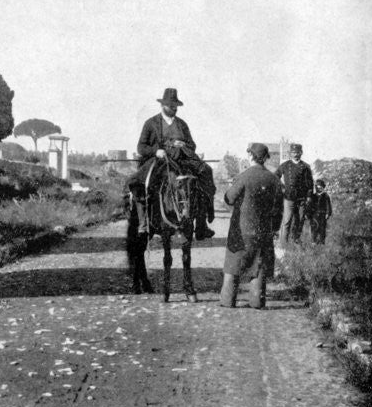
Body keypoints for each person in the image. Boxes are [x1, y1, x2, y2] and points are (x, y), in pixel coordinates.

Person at [128, 88, 216, 238]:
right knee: (138, 182)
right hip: (160, 159)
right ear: (162, 105)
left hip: (183, 159)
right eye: (171, 105)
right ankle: (144, 223)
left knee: (206, 172)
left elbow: (192, 145)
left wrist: (184, 146)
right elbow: (141, 147)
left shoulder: (182, 124)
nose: (174, 108)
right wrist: (156, 151)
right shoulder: (151, 123)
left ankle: (202, 224)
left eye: (176, 106)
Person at [221, 143, 283, 309]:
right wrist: (274, 229)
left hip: (241, 231)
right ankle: (256, 302)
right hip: (264, 233)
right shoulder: (274, 180)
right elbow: (279, 211)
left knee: (233, 266)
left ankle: (228, 301)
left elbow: (229, 199)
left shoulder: (244, 176)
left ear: (251, 156)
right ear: (265, 158)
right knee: (259, 267)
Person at [276, 143, 314, 247]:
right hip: (289, 198)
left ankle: (296, 240)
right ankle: (283, 244)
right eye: (293, 152)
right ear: (290, 153)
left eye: (297, 152)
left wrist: (309, 196)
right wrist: (282, 188)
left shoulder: (306, 167)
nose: (295, 154)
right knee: (287, 220)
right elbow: (275, 177)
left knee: (300, 220)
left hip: (301, 198)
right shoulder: (285, 165)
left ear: (301, 153)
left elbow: (310, 183)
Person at [306, 178, 333, 245]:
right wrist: (308, 214)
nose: (319, 189)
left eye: (320, 188)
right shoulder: (313, 196)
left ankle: (322, 242)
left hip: (322, 215)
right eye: (317, 188)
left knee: (322, 229)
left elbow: (328, 205)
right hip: (314, 215)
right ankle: (314, 241)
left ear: (323, 187)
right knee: (314, 228)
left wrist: (328, 213)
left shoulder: (326, 196)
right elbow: (309, 206)